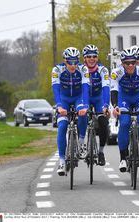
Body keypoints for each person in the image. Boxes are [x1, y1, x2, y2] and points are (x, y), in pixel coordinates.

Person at [110, 47, 139, 172]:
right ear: (122, 63)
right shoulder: (116, 72)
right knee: (124, 123)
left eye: (133, 62)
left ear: (137, 62)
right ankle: (123, 159)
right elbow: (114, 91)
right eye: (127, 63)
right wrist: (115, 107)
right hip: (124, 98)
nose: (130, 65)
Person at [51, 47, 90, 176]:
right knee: (62, 126)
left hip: (79, 98)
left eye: (75, 62)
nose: (73, 65)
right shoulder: (57, 70)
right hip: (64, 100)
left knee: (83, 114)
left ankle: (81, 142)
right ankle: (62, 161)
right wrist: (59, 106)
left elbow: (85, 88)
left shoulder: (83, 69)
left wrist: (85, 106)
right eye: (69, 62)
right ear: (65, 61)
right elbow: (56, 89)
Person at [82, 44, 110, 166]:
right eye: (89, 56)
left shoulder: (103, 70)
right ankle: (81, 144)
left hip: (99, 99)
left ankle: (101, 152)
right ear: (84, 58)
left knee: (104, 123)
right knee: (81, 119)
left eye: (94, 56)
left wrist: (105, 105)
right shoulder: (80, 70)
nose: (92, 59)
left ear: (97, 58)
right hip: (85, 98)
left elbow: (106, 88)